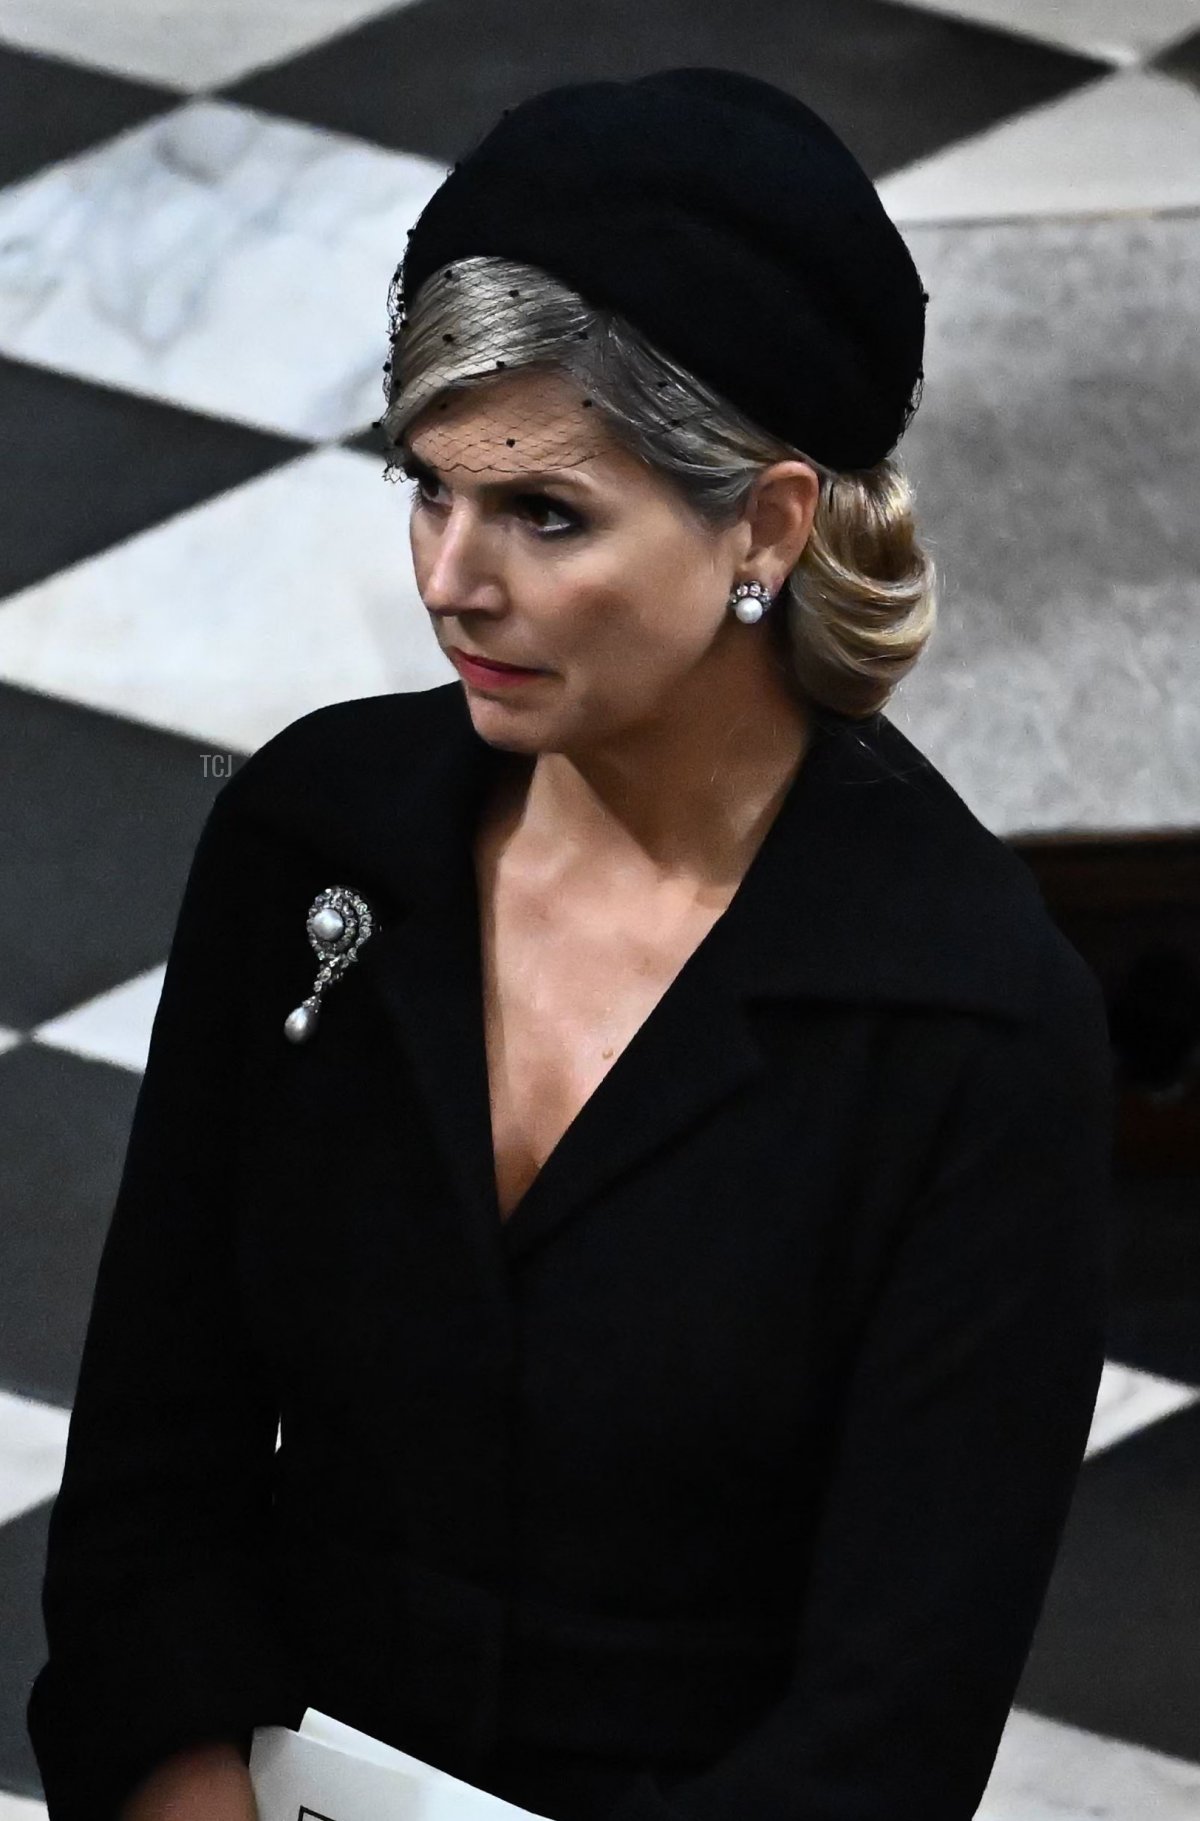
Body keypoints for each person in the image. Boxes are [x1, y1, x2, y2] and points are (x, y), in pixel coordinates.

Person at [27, 67, 1117, 1821]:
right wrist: (183, 1787)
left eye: (546, 514)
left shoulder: (972, 1030)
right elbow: (160, 1472)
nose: (452, 579)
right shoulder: (309, 846)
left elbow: (885, 1732)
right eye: (426, 487)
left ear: (764, 523)